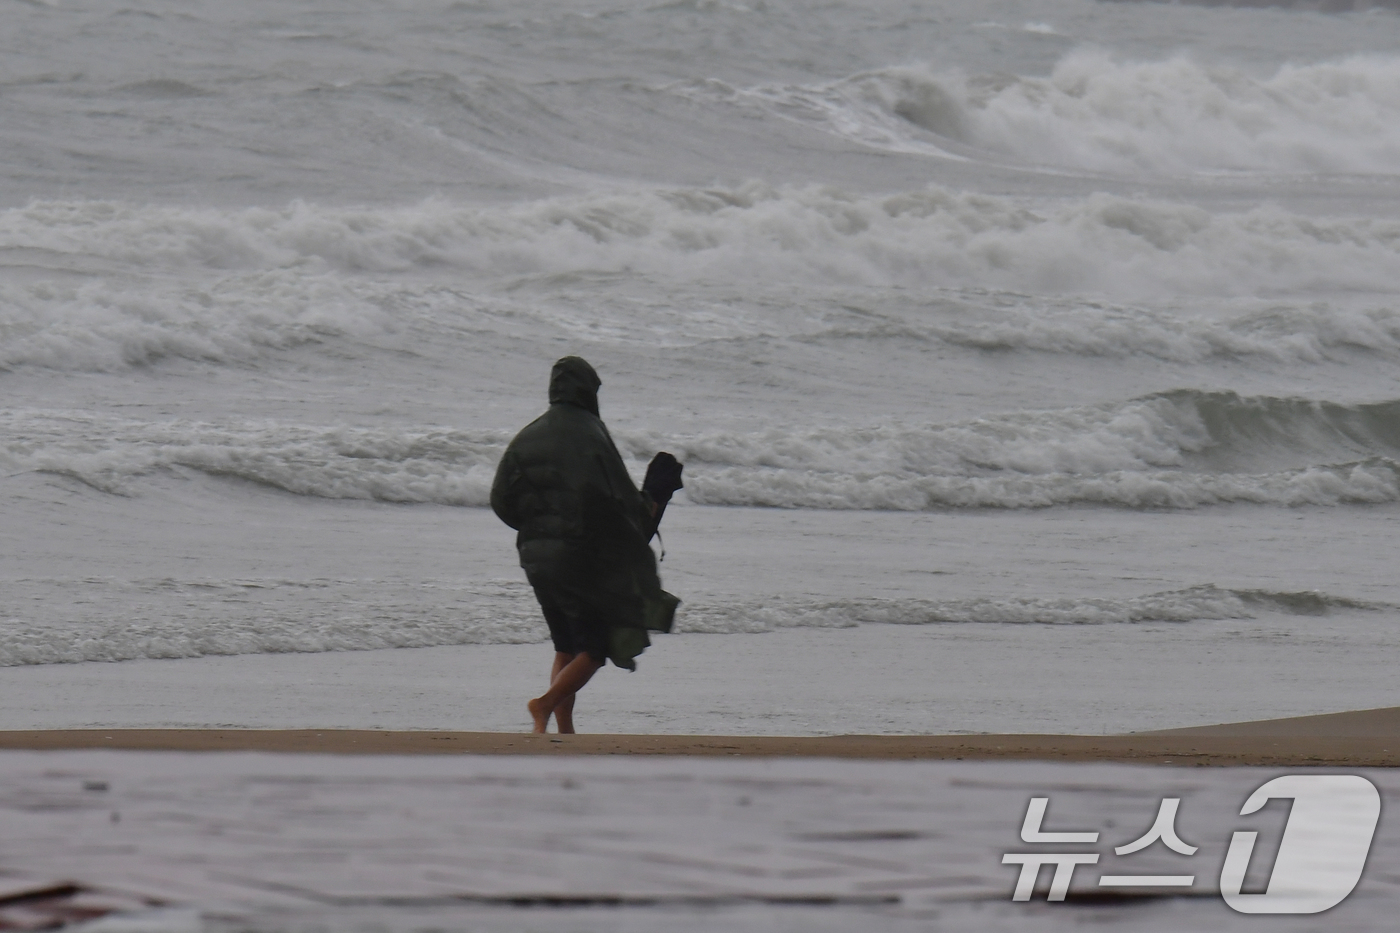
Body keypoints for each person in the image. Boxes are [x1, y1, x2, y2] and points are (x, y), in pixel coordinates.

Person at [490, 357, 681, 734]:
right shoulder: (591, 433)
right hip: (579, 556)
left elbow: (501, 500)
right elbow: (620, 500)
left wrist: (535, 528)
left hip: (535, 556)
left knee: (565, 643)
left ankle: (563, 729)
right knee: (594, 648)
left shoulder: (526, 436)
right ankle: (542, 705)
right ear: (588, 390)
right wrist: (655, 497)